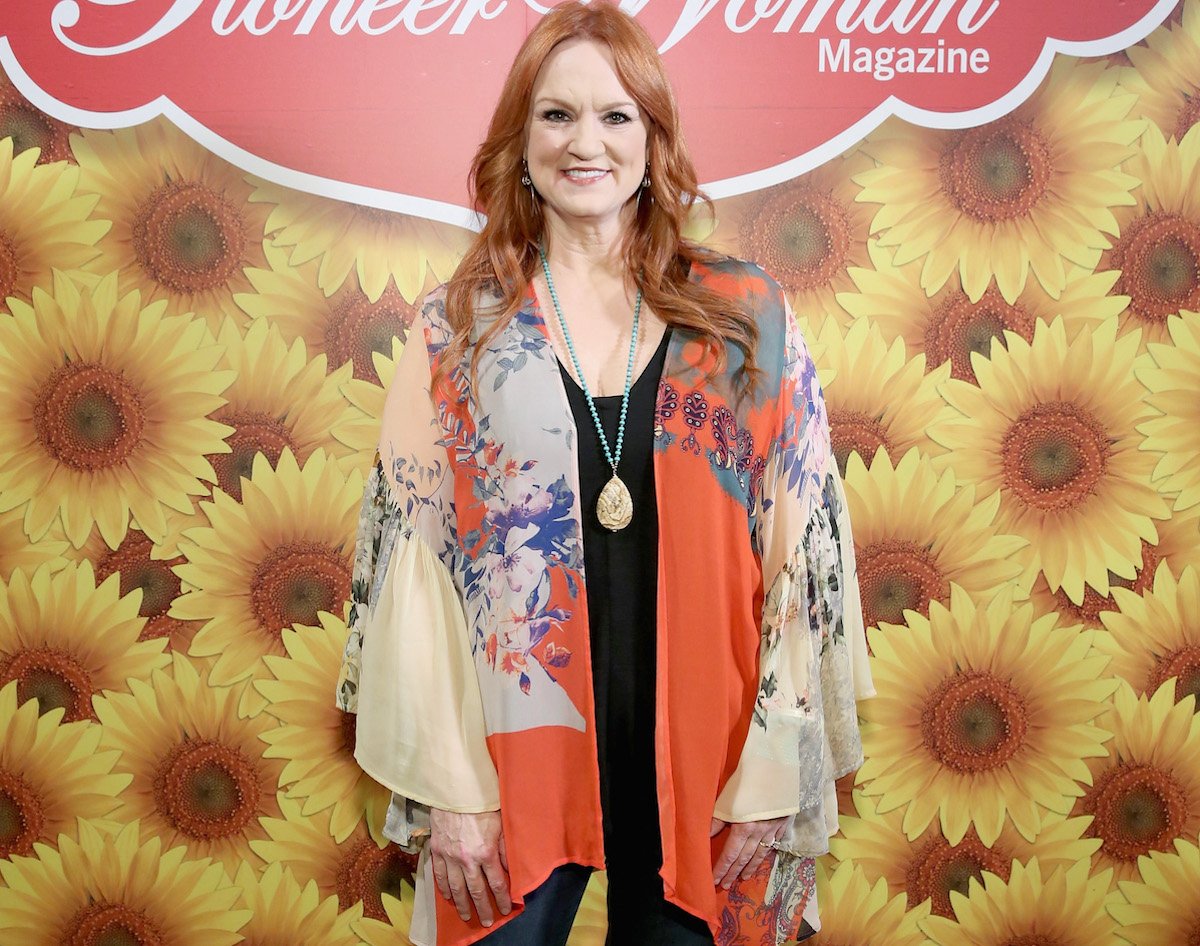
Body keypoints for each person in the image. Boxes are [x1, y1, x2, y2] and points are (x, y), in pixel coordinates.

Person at [335, 3, 874, 944]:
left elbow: (802, 562)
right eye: (557, 115)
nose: (586, 143)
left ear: (654, 139)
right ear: (521, 138)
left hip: (711, 768)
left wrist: (772, 770)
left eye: (617, 116)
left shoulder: (746, 316)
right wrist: (453, 792)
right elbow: (412, 568)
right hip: (514, 763)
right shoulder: (458, 327)